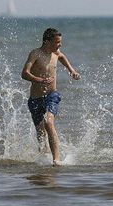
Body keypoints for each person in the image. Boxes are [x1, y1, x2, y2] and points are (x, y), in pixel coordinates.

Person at [21, 28, 80, 166]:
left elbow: (62, 57)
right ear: (47, 42)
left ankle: (56, 159)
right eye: (57, 42)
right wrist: (38, 79)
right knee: (40, 132)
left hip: (51, 95)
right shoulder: (35, 54)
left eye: (60, 42)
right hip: (35, 98)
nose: (60, 45)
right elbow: (24, 73)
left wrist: (72, 71)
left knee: (49, 122)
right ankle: (44, 156)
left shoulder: (56, 52)